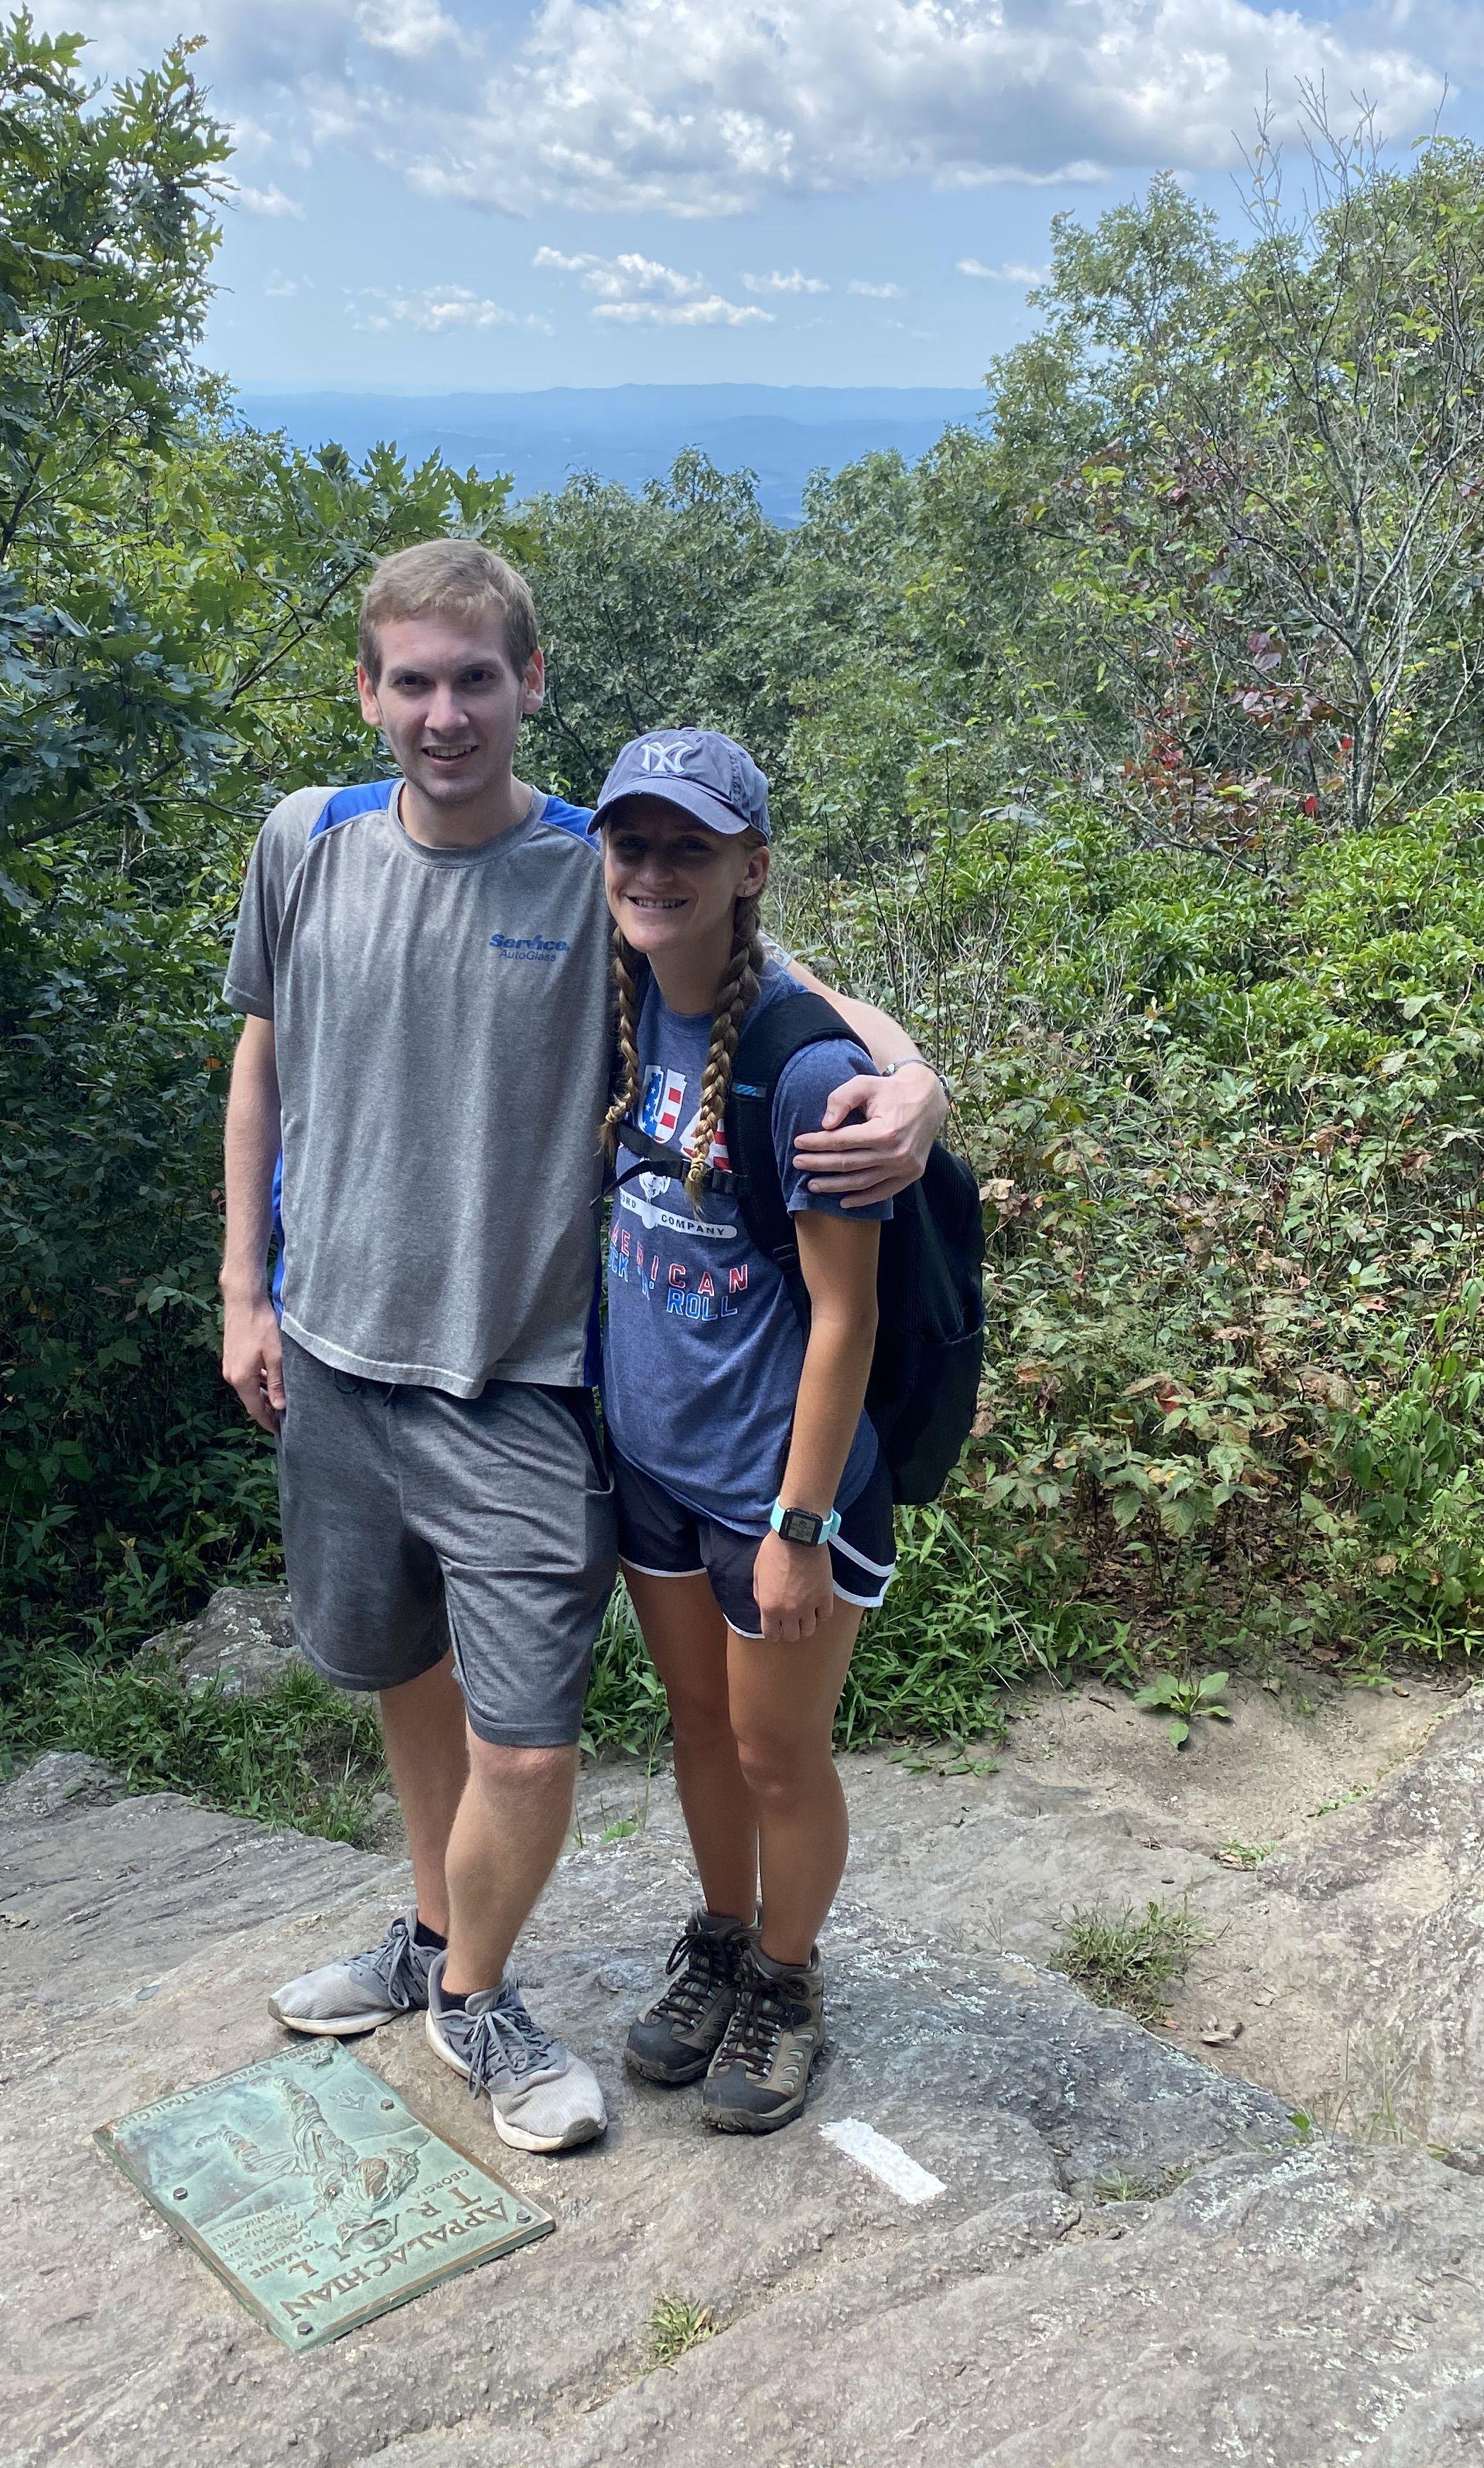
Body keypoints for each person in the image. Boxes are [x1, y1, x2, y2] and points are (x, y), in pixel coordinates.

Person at [218, 541, 944, 2157]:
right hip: (340, 1355)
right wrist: (242, 1294)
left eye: (476, 677)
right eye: (411, 680)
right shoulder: (306, 840)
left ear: (530, 683)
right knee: (408, 1671)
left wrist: (915, 1087)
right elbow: (259, 1060)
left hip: (525, 1382)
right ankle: (434, 1936)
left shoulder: (587, 868)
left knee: (533, 1734)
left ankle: (488, 1990)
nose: (443, 711)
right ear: (368, 693)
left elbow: (786, 991)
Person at [592, 728, 898, 2135]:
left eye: (690, 847)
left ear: (750, 867)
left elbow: (846, 1320)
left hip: (776, 1491)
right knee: (701, 1728)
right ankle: (721, 1940)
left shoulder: (801, 1059)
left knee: (781, 1753)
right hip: (655, 1466)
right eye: (634, 842)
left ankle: (786, 1977)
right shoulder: (625, 1000)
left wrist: (798, 1527)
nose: (656, 869)